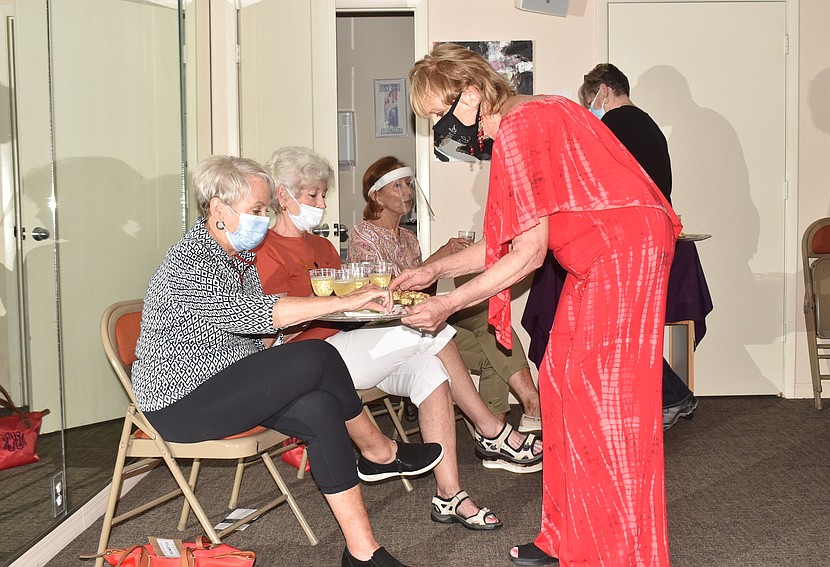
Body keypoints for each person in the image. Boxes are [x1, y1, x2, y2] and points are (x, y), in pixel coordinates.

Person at [398, 44, 682, 566]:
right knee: (559, 381)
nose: (440, 127)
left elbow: (526, 256)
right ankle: (566, 538)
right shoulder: (527, 118)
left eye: (441, 112)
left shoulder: (521, 127)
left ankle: (615, 551)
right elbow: (507, 240)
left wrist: (447, 305)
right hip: (605, 252)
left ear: (474, 92)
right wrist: (435, 270)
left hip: (622, 252)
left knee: (607, 407)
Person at [131, 155, 445, 567]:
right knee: (319, 353)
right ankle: (380, 451)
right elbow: (255, 313)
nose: (265, 219)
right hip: (181, 404)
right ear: (219, 209)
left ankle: (363, 553)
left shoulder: (234, 257)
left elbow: (252, 333)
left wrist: (290, 334)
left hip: (227, 383)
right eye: (257, 210)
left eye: (266, 210)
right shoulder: (191, 261)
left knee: (320, 407)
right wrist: (347, 300)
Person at [254, 148, 543, 528]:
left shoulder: (323, 247)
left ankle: (450, 495)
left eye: (324, 194)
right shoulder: (266, 250)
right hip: (309, 359)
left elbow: (350, 306)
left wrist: (361, 302)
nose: (323, 203)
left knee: (431, 372)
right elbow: (270, 325)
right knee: (429, 330)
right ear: (282, 195)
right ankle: (490, 430)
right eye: (313, 196)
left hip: (349, 343)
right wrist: (339, 304)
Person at [346, 156, 542, 438]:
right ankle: (495, 432)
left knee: (491, 319)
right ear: (376, 196)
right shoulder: (362, 237)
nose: (407, 192)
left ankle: (518, 411)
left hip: (415, 317)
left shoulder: (408, 237)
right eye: (397, 186)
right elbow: (386, 294)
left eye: (409, 184)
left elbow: (420, 291)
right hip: (390, 327)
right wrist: (441, 256)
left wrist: (444, 261)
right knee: (489, 354)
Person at [579, 63, 699, 430]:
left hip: (630, 241)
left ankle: (670, 397)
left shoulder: (613, 127)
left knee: (622, 329)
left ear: (603, 90)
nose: (589, 110)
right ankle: (673, 395)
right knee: (629, 326)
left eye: (589, 101)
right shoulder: (648, 126)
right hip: (653, 236)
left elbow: (598, 187)